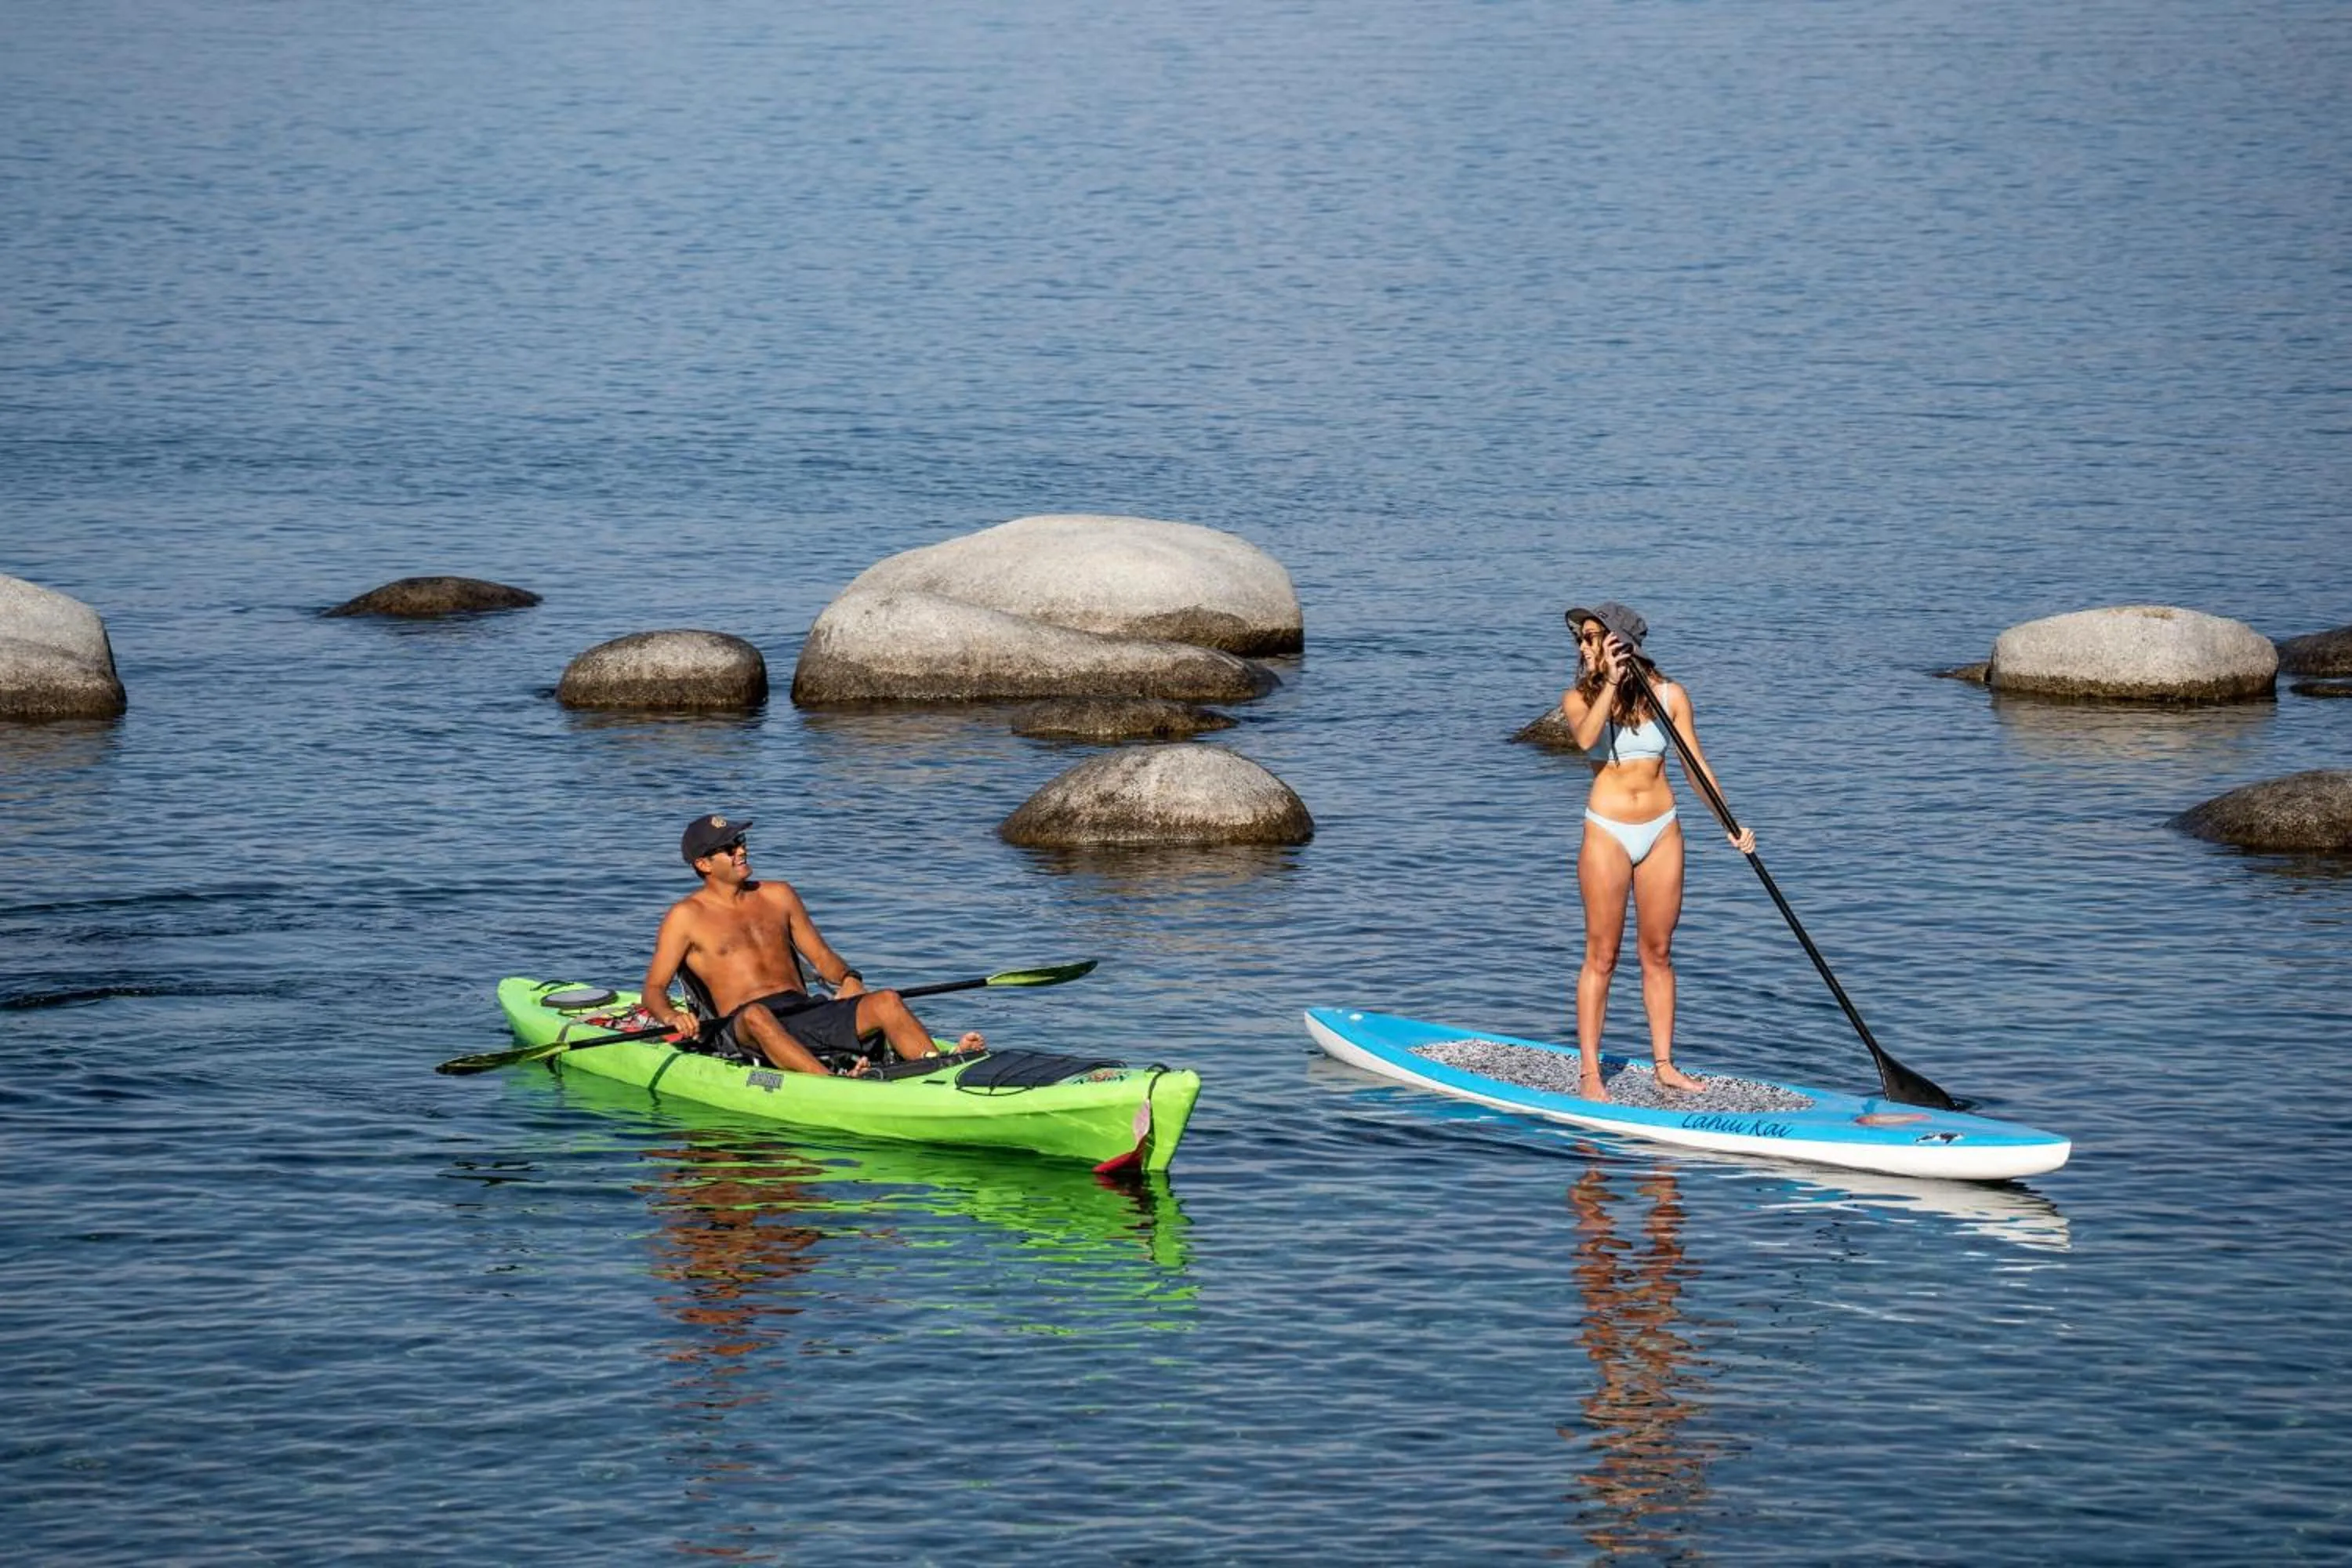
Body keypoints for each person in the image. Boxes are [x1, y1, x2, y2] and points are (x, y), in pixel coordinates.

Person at [1559, 602, 1754, 1102]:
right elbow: (1585, 740)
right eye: (1580, 639)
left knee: (1659, 953)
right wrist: (1608, 681)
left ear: (1620, 641)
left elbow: (1695, 766)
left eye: (1590, 638)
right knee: (1602, 956)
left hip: (1662, 831)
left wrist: (1730, 825)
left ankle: (1664, 1065)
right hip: (1607, 833)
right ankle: (1590, 1073)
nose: (1582, 647)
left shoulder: (1669, 695)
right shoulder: (1579, 697)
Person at [637, 813, 982, 1076]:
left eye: (740, 841)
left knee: (887, 1000)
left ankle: (943, 1069)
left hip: (805, 1011)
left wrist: (848, 978)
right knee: (758, 1015)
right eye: (729, 848)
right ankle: (832, 1085)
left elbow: (821, 957)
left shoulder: (779, 895)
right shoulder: (686, 916)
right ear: (703, 864)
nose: (741, 850)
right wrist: (672, 1016)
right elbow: (653, 989)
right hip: (742, 1026)